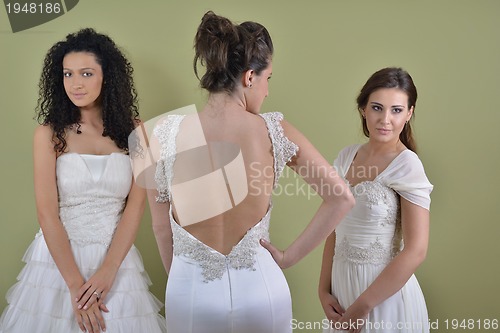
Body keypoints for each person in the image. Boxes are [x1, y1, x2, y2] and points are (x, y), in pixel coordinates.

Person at [146, 11, 354, 333]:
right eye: (268, 78)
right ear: (249, 77)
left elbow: (161, 230)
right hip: (262, 292)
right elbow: (341, 198)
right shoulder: (274, 129)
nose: (267, 91)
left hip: (190, 296)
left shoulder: (160, 133)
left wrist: (186, 284)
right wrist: (286, 258)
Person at [0, 28, 167, 333]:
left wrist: (108, 272)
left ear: (108, 77)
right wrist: (77, 288)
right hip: (58, 264)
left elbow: (135, 207)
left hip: (116, 263)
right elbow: (47, 213)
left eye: (86, 73)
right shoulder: (48, 134)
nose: (75, 83)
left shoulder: (137, 132)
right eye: (68, 74)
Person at [318, 67, 433, 333]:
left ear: (409, 113)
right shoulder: (346, 157)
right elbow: (332, 229)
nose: (385, 119)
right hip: (342, 290)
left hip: (383, 297)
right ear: (363, 109)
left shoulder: (407, 165)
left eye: (396, 110)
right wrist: (323, 291)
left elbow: (417, 250)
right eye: (377, 108)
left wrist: (363, 306)